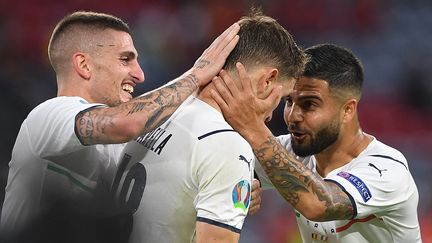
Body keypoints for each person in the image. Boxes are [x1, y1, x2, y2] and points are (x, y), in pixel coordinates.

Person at [0, 10, 240, 241]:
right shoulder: (48, 117)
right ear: (84, 65)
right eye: (126, 59)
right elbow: (127, 123)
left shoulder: (119, 146)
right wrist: (195, 76)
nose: (140, 74)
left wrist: (220, 188)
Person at [112, 11, 305, 243]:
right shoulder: (227, 145)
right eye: (280, 98)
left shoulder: (157, 110)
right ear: (267, 81)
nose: (271, 114)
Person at [211, 44, 422, 242]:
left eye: (309, 104)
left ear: (347, 110)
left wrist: (252, 126)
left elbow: (319, 204)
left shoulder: (386, 170)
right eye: (289, 102)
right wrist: (240, 193)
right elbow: (212, 175)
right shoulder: (290, 150)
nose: (293, 116)